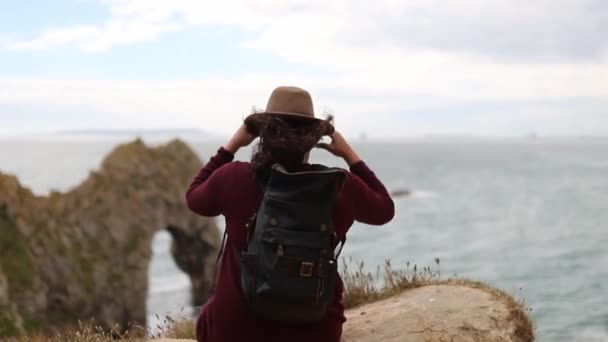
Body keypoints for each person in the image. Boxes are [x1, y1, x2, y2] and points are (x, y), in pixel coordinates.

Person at [186, 86, 395, 342]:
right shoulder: (340, 185)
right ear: (312, 139)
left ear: (262, 135)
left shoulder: (234, 177)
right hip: (316, 332)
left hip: (236, 330)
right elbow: (384, 209)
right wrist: (350, 155)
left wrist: (232, 145)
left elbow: (194, 197)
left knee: (208, 316)